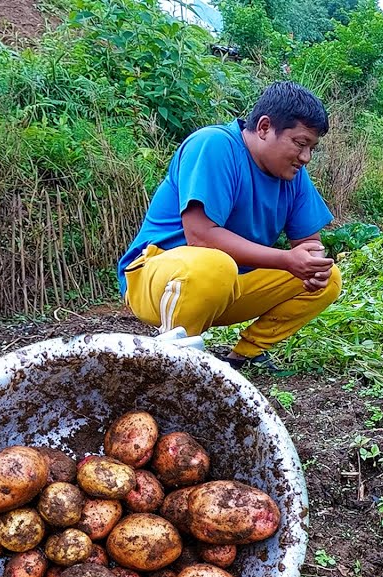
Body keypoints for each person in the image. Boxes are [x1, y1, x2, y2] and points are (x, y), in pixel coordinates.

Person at [117, 82, 341, 372]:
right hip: (157, 277)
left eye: (312, 147)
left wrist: (312, 263)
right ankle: (171, 359)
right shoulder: (214, 145)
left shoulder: (293, 176)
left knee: (329, 278)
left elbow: (309, 243)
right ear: (264, 127)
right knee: (214, 266)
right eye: (300, 143)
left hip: (224, 285)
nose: (305, 157)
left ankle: (246, 356)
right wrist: (287, 259)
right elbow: (200, 236)